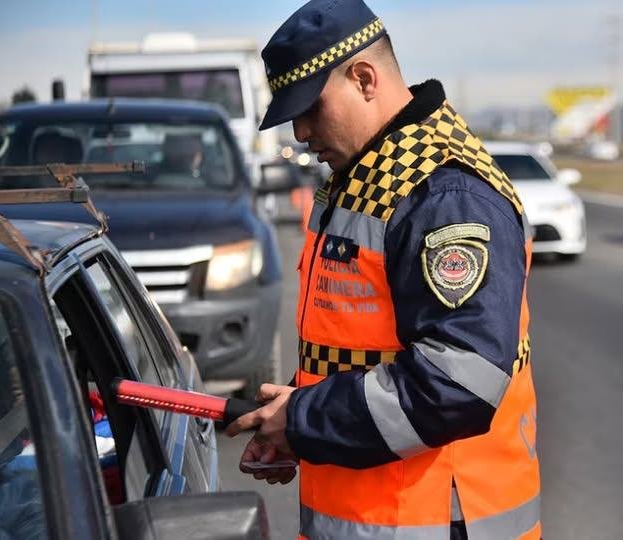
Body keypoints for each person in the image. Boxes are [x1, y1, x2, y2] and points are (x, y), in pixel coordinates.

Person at [226, 1, 541, 538]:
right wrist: (295, 413)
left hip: (434, 521)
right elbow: (363, 346)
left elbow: (457, 385)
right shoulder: (366, 175)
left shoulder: (443, 194)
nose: (300, 132)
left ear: (365, 78)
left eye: (310, 108)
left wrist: (303, 420)